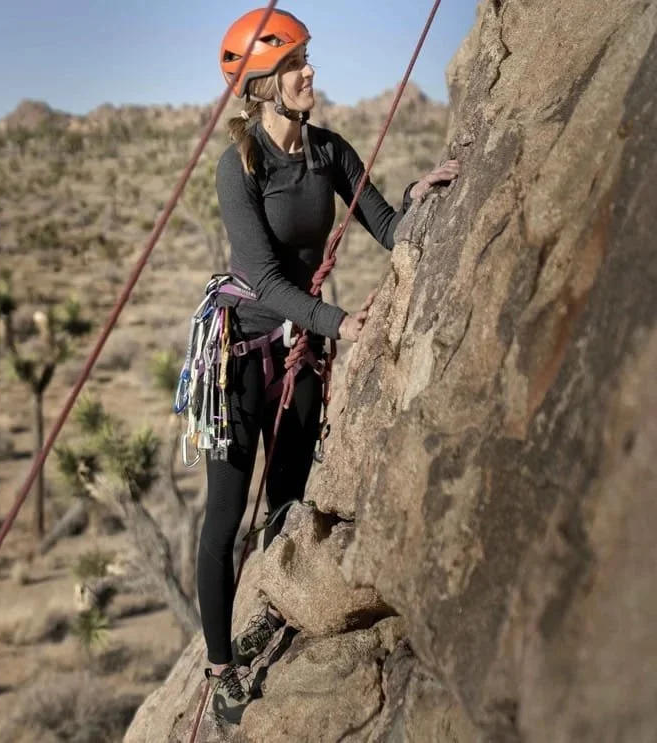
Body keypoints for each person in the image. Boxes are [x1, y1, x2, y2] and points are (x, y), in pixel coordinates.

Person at [196, 7, 460, 724]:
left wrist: (421, 200)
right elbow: (262, 281)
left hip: (301, 352)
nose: (309, 72)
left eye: (306, 59)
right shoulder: (238, 167)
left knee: (285, 503)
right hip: (242, 356)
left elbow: (386, 226)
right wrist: (340, 321)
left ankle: (276, 610)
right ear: (260, 87)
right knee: (224, 518)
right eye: (293, 65)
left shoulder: (328, 151)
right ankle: (220, 668)